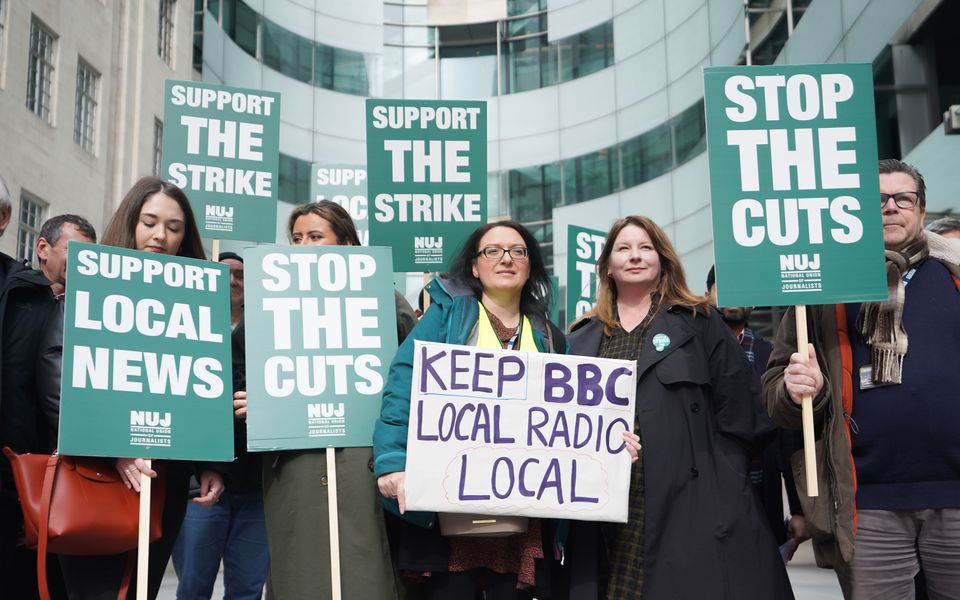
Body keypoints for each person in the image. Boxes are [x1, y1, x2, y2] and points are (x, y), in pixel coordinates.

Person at [762, 159, 960, 600]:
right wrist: (798, 391)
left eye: (902, 199)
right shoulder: (820, 288)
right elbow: (775, 391)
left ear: (921, 212)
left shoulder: (955, 277)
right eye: (876, 200)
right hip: (865, 505)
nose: (890, 208)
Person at [566, 216, 793, 599]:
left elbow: (742, 410)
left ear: (663, 260)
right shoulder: (581, 338)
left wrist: (721, 481)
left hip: (691, 500)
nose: (634, 256)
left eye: (645, 248)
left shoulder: (699, 322)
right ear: (607, 265)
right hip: (605, 503)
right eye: (623, 248)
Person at [374, 220, 570, 600]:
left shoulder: (551, 336)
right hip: (448, 511)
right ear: (475, 266)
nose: (506, 259)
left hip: (523, 517)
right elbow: (403, 384)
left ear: (530, 266)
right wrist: (391, 460)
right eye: (492, 251)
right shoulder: (445, 318)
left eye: (518, 251)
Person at [49, 177, 224, 600]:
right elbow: (57, 377)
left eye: (174, 227)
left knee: (141, 591)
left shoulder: (200, 303)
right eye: (149, 222)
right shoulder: (87, 288)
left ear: (186, 238)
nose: (160, 235)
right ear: (131, 222)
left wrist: (208, 462)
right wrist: (115, 448)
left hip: (166, 479)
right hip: (97, 474)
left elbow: (203, 387)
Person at [231, 200, 415, 600]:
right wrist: (250, 400)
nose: (302, 246)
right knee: (301, 567)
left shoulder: (383, 297)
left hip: (361, 458)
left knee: (362, 565)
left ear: (348, 245)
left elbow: (411, 372)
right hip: (292, 458)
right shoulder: (266, 303)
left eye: (316, 236)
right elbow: (238, 363)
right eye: (296, 239)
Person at [0, 214, 97, 599]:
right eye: (76, 252)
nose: (85, 264)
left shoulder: (94, 309)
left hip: (68, 475)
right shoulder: (18, 296)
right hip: (17, 469)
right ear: (42, 249)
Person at [172, 251, 269, 600]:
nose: (232, 280)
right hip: (199, 484)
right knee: (193, 587)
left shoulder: (270, 333)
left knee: (246, 590)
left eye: (241, 274)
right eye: (224, 273)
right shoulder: (186, 329)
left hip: (257, 484)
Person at [705, 266, 807, 560]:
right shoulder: (693, 351)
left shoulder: (771, 355)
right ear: (707, 295)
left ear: (753, 302)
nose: (733, 296)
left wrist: (799, 510)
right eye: (723, 287)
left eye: (742, 288)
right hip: (709, 490)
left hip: (761, 490)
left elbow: (788, 436)